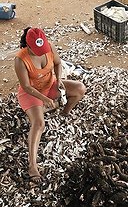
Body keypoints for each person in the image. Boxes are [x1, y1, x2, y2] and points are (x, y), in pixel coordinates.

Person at [14, 27, 86, 184]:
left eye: (43, 49)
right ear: (28, 45)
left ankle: (63, 112)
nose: (41, 53)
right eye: (37, 50)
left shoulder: (49, 47)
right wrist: (43, 98)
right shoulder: (20, 60)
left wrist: (59, 79)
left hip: (50, 85)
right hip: (31, 93)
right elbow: (26, 86)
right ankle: (32, 166)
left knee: (80, 88)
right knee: (39, 124)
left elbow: (58, 63)